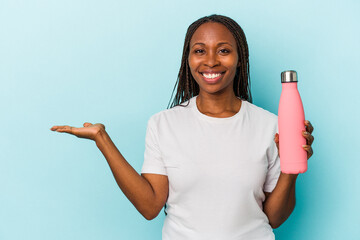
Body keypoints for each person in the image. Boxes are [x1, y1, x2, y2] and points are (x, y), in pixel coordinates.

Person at [50, 14, 314, 240]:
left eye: (223, 50)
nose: (210, 61)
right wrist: (102, 139)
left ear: (240, 58)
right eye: (200, 50)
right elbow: (150, 206)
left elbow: (275, 218)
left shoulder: (269, 125)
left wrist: (292, 167)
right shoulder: (163, 124)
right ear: (188, 59)